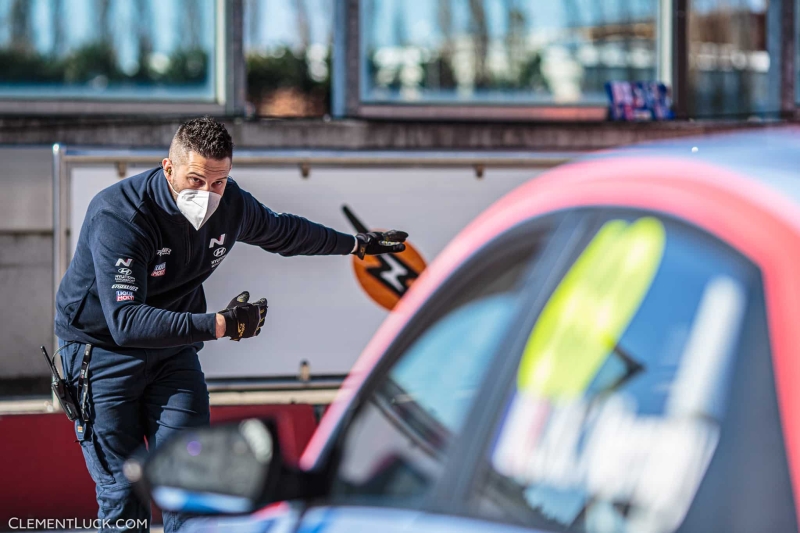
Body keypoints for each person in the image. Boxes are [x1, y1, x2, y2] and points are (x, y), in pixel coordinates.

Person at [53, 117, 407, 533]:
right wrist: (221, 324)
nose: (206, 194)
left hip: (172, 355)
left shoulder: (231, 204)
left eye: (218, 182)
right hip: (101, 354)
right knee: (122, 498)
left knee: (194, 485)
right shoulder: (122, 214)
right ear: (168, 168)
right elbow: (127, 322)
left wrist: (356, 244)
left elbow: (285, 233)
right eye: (195, 180)